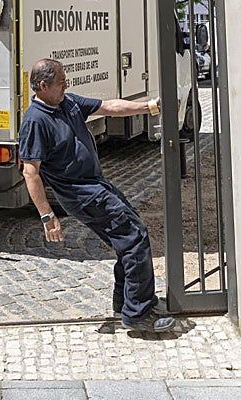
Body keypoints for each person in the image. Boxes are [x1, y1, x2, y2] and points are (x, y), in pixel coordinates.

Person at [19, 58, 176, 333]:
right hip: (82, 195)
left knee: (127, 238)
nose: (66, 86)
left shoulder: (66, 103)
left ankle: (126, 303)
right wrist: (47, 215)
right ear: (43, 86)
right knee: (134, 236)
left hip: (96, 185)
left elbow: (109, 107)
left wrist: (150, 106)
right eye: (60, 83)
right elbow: (30, 173)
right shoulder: (35, 121)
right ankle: (139, 313)